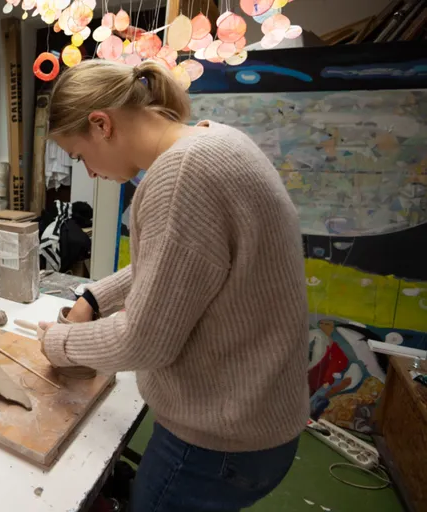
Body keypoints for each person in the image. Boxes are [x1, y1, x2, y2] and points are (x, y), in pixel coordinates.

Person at [39, 59, 309, 511]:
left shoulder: (181, 175)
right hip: (262, 424)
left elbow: (144, 342)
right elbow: (175, 263)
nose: (88, 172)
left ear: (101, 124)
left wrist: (60, 343)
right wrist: (92, 297)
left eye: (80, 156)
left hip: (219, 439)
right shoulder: (215, 139)